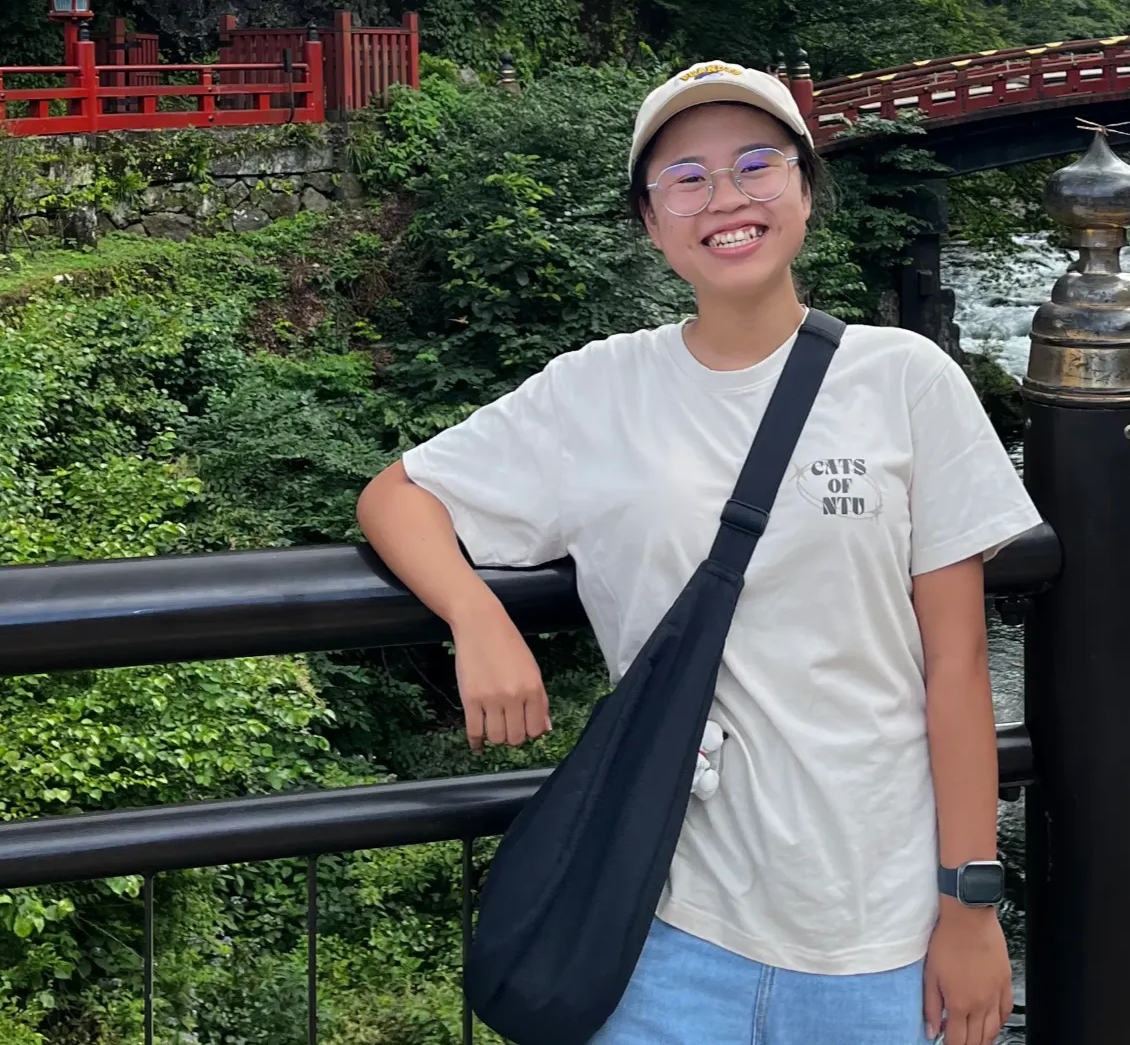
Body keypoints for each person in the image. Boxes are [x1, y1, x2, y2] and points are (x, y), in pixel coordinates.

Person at [356, 60, 1043, 1045]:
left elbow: (957, 665)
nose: (724, 198)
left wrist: (968, 906)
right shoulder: (598, 391)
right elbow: (398, 495)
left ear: (805, 189)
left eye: (755, 165)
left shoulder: (900, 380)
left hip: (875, 931)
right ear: (650, 221)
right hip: (662, 932)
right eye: (685, 178)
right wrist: (476, 613)